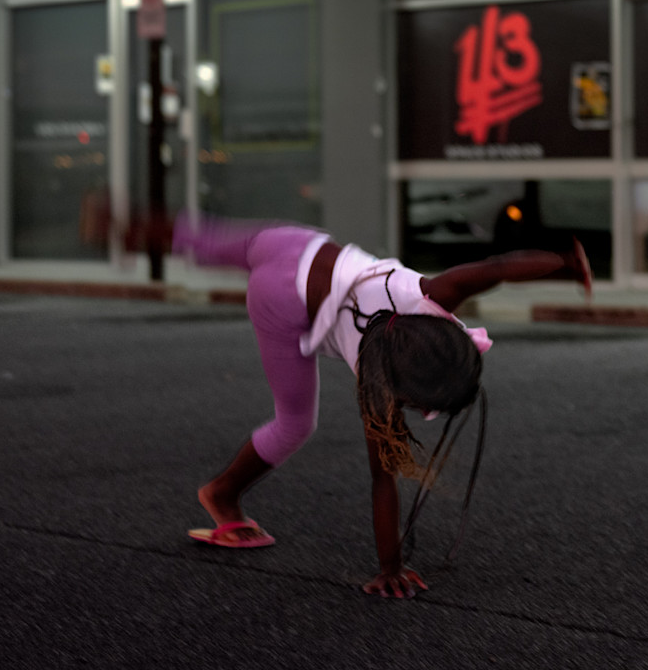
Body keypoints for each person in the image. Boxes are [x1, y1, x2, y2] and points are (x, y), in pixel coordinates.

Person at [174, 213, 592, 598]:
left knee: (201, 240)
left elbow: (497, 268)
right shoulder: (380, 386)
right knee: (294, 424)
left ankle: (143, 228)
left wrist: (564, 263)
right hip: (280, 300)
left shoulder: (431, 293)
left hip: (293, 245)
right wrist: (389, 567)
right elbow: (382, 479)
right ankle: (221, 494)